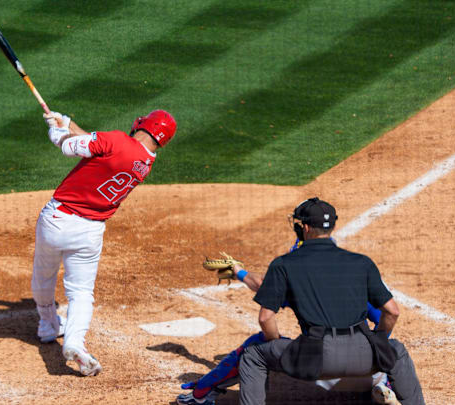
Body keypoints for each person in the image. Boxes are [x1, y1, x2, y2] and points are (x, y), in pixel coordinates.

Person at [235, 197, 425, 405]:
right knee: (397, 350)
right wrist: (377, 340)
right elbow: (392, 311)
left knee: (253, 356)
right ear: (332, 227)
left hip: (314, 358)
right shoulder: (361, 262)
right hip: (364, 355)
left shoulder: (284, 264)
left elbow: (265, 318)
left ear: (305, 228)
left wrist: (274, 342)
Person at [31, 109, 177, 376]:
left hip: (57, 219)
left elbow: (68, 147)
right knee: (81, 292)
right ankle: (74, 342)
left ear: (144, 124)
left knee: (44, 275)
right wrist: (67, 120)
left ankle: (48, 325)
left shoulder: (119, 141)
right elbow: (99, 146)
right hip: (89, 231)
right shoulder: (144, 161)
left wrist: (58, 131)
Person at [176, 240, 393, 405]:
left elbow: (263, 291)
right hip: (367, 369)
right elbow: (389, 316)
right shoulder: (358, 279)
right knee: (382, 345)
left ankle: (202, 393)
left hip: (321, 369)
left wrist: (237, 271)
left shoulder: (298, 285)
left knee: (256, 346)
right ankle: (382, 383)